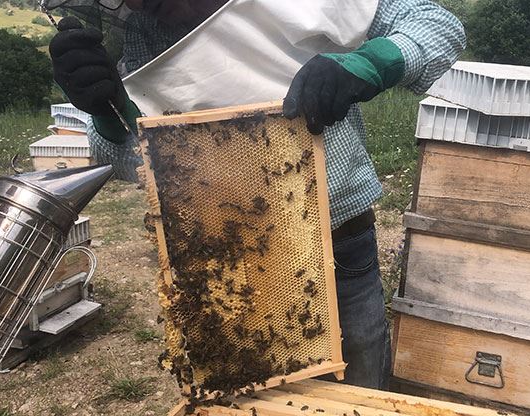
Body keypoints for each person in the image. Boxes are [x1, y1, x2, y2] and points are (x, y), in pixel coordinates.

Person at [48, 0, 465, 389]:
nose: (144, 7)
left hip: (335, 236)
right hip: (220, 258)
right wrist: (106, 113)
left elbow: (438, 25)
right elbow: (133, 163)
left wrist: (368, 62)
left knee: (359, 383)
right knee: (248, 393)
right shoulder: (141, 35)